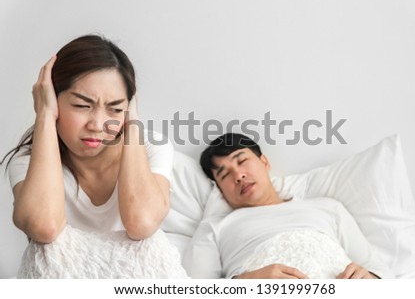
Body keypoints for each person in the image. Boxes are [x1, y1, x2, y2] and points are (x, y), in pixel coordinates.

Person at [1, 35, 185, 277]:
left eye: (115, 109)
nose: (98, 124)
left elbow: (142, 222)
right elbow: (44, 227)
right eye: (82, 106)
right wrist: (44, 115)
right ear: (54, 99)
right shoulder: (27, 160)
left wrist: (133, 122)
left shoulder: (152, 147)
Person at [183, 133, 394, 279]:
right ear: (219, 189)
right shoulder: (215, 227)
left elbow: (378, 270)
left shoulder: (327, 208)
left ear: (264, 162)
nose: (239, 176)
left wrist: (368, 278)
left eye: (241, 160)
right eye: (225, 174)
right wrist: (245, 283)